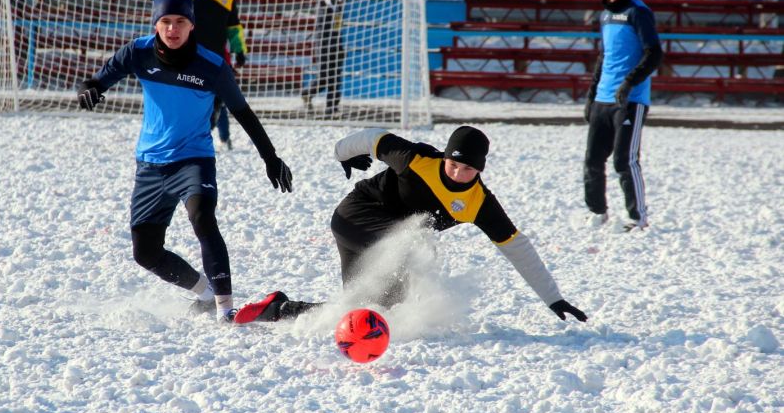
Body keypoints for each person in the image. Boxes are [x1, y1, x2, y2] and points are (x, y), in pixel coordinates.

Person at [76, 0, 293, 323]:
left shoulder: (212, 66)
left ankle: (226, 309)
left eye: (180, 21)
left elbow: (243, 112)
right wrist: (88, 90)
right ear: (155, 24)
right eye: (165, 22)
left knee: (203, 218)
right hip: (149, 165)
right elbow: (97, 80)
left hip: (194, 160)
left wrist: (270, 157)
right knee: (145, 253)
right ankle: (204, 293)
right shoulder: (137, 52)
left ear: (192, 24)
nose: (172, 29)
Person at [234, 126, 588, 325]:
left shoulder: (480, 203)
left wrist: (554, 299)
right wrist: (344, 153)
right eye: (453, 164)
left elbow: (516, 248)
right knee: (416, 243)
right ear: (445, 156)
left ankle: (278, 309)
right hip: (354, 217)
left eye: (468, 170)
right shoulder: (418, 159)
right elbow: (375, 138)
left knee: (366, 315)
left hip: (387, 243)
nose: (458, 173)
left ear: (480, 170)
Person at [583, 0, 663, 231]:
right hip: (603, 100)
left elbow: (654, 53)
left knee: (624, 161)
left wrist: (629, 83)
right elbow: (603, 57)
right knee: (592, 161)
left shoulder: (638, 12)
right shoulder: (605, 15)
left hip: (630, 101)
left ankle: (637, 218)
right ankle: (597, 211)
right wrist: (591, 95)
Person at [190, 0, 248, 150]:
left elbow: (234, 29)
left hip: (217, 58)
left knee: (220, 98)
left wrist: (240, 51)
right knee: (193, 98)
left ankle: (223, 138)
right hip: (193, 57)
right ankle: (192, 136)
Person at [301, 0, 346, 117]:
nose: (340, 4)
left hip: (335, 46)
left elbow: (337, 31)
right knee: (324, 77)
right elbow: (325, 31)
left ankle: (332, 108)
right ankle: (307, 93)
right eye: (337, 1)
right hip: (323, 47)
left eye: (341, 2)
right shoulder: (322, 9)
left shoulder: (337, 11)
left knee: (336, 78)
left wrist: (340, 48)